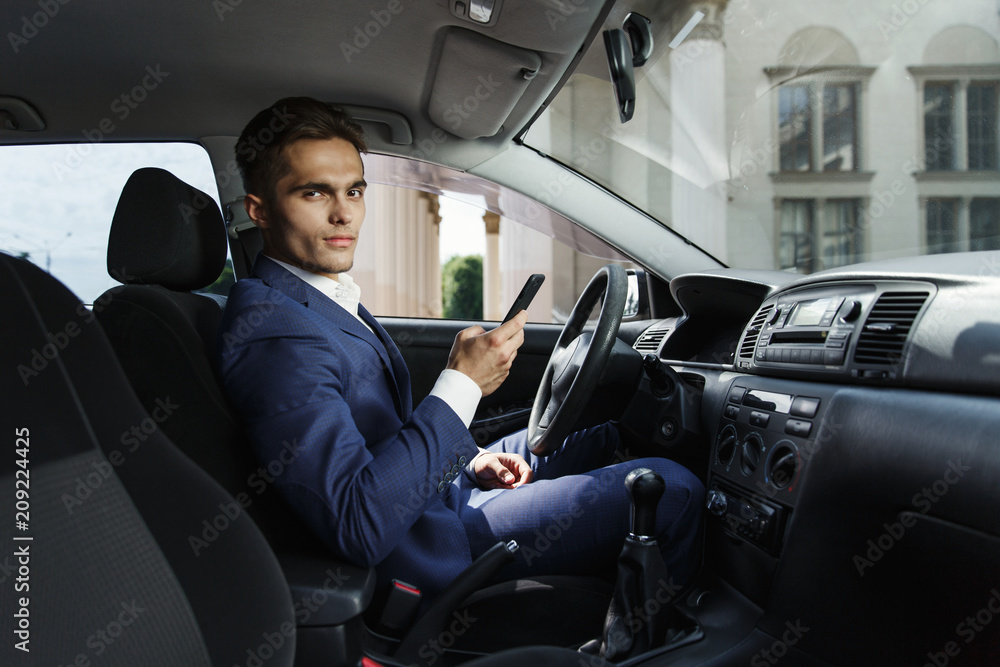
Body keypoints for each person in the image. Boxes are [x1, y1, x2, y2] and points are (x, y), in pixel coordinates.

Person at [216, 97, 704, 606]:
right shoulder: (273, 333)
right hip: (435, 542)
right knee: (675, 489)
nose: (343, 213)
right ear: (260, 210)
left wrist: (470, 462)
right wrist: (463, 383)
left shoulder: (315, 295)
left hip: (442, 492)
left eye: (354, 191)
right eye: (314, 193)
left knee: (604, 433)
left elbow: (377, 433)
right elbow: (359, 521)